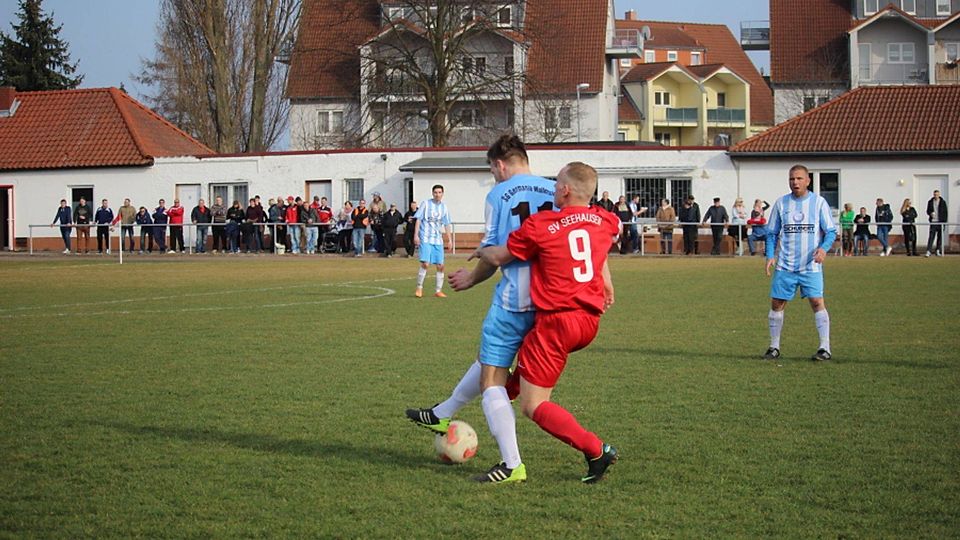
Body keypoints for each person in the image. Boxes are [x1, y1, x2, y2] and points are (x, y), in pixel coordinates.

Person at [406, 135, 555, 485]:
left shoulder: (498, 195)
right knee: (487, 360)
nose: (493, 176)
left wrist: (472, 279)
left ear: (500, 164)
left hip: (514, 299)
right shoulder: (555, 191)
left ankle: (511, 463)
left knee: (493, 378)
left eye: (492, 169)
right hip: (551, 300)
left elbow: (491, 254)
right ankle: (442, 413)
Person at [471, 161, 620, 484]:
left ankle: (596, 450)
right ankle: (500, 392)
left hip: (557, 322)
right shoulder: (606, 220)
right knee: (524, 363)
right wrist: (606, 280)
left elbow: (499, 257)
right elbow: (601, 245)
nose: (553, 190)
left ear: (566, 190)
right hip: (589, 322)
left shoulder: (543, 225)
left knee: (534, 405)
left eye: (556, 185)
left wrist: (481, 251)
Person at [763, 164, 837, 362]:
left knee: (817, 302)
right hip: (785, 265)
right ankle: (774, 347)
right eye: (791, 179)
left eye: (799, 179)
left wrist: (823, 249)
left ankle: (824, 348)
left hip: (810, 265)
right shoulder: (781, 204)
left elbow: (830, 231)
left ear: (808, 180)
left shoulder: (819, 203)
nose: (795, 182)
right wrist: (770, 255)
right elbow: (771, 233)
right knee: (777, 303)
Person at [413, 186, 452, 296]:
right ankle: (419, 288)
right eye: (435, 192)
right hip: (425, 238)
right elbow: (418, 220)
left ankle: (438, 291)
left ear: (442, 193)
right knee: (425, 263)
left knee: (440, 265)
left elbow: (447, 224)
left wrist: (449, 240)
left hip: (437, 240)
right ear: (432, 193)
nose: (437, 194)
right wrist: (416, 236)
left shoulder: (444, 207)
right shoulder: (425, 204)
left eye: (439, 192)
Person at [926, 190, 947, 257]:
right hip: (933, 222)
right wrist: (930, 213)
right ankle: (928, 251)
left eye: (937, 195)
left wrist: (944, 222)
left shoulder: (943, 202)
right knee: (931, 237)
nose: (936, 196)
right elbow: (928, 211)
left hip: (941, 222)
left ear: (939, 195)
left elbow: (945, 212)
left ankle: (938, 250)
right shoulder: (930, 202)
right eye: (935, 194)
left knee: (940, 237)